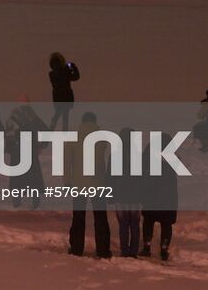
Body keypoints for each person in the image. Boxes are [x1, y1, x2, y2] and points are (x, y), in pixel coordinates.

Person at [65, 111, 112, 259]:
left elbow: (67, 162)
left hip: (79, 183)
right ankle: (103, 250)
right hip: (98, 182)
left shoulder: (73, 138)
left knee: (78, 217)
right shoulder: (102, 138)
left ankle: (77, 248)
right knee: (100, 217)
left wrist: (67, 181)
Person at [141, 132, 180, 261]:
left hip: (151, 193)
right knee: (166, 223)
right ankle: (164, 249)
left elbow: (142, 166)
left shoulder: (149, 151)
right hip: (168, 195)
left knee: (148, 220)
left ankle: (147, 247)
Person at [113, 126, 142, 257]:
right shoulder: (139, 156)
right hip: (136, 195)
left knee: (123, 225)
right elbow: (144, 178)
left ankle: (124, 250)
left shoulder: (115, 155)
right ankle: (134, 251)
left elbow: (111, 176)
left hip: (120, 194)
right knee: (135, 225)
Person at [48, 52, 80, 131]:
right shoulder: (65, 71)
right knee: (65, 116)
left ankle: (51, 128)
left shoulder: (51, 73)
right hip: (66, 96)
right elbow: (76, 77)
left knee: (58, 113)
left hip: (57, 97)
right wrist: (73, 67)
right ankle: (64, 133)